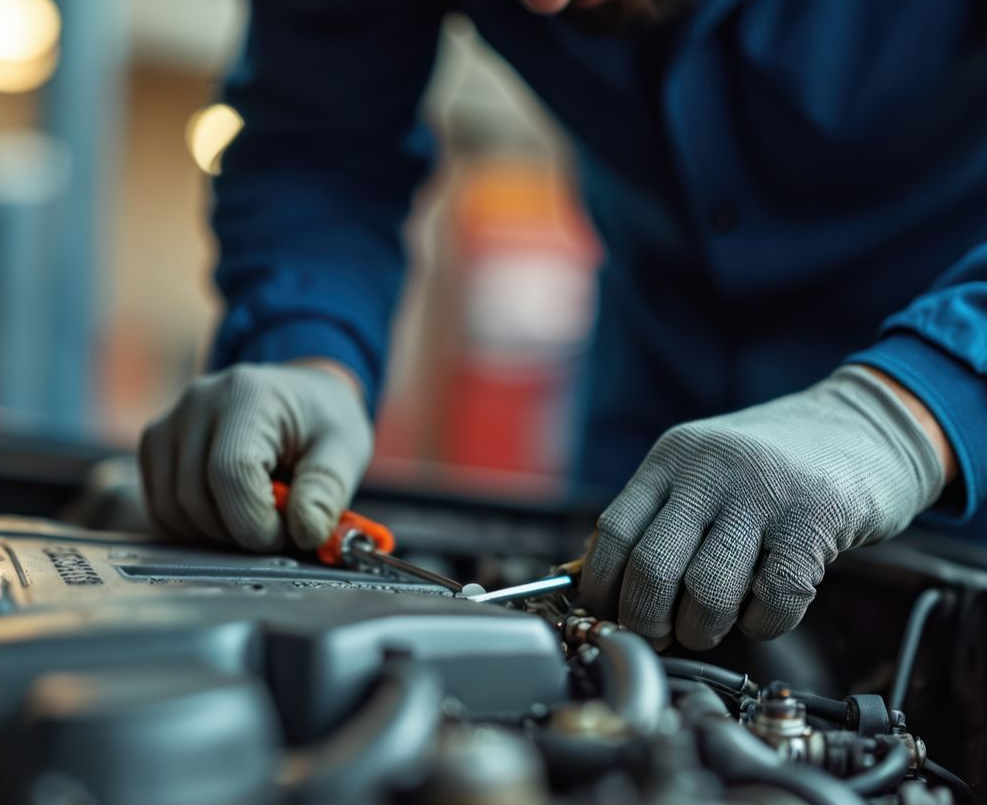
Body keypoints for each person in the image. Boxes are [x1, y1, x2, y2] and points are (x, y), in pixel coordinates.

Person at [139, 0, 987, 651]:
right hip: (654, 411)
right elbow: (319, 139)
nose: (539, 8)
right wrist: (305, 350)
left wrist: (913, 406)